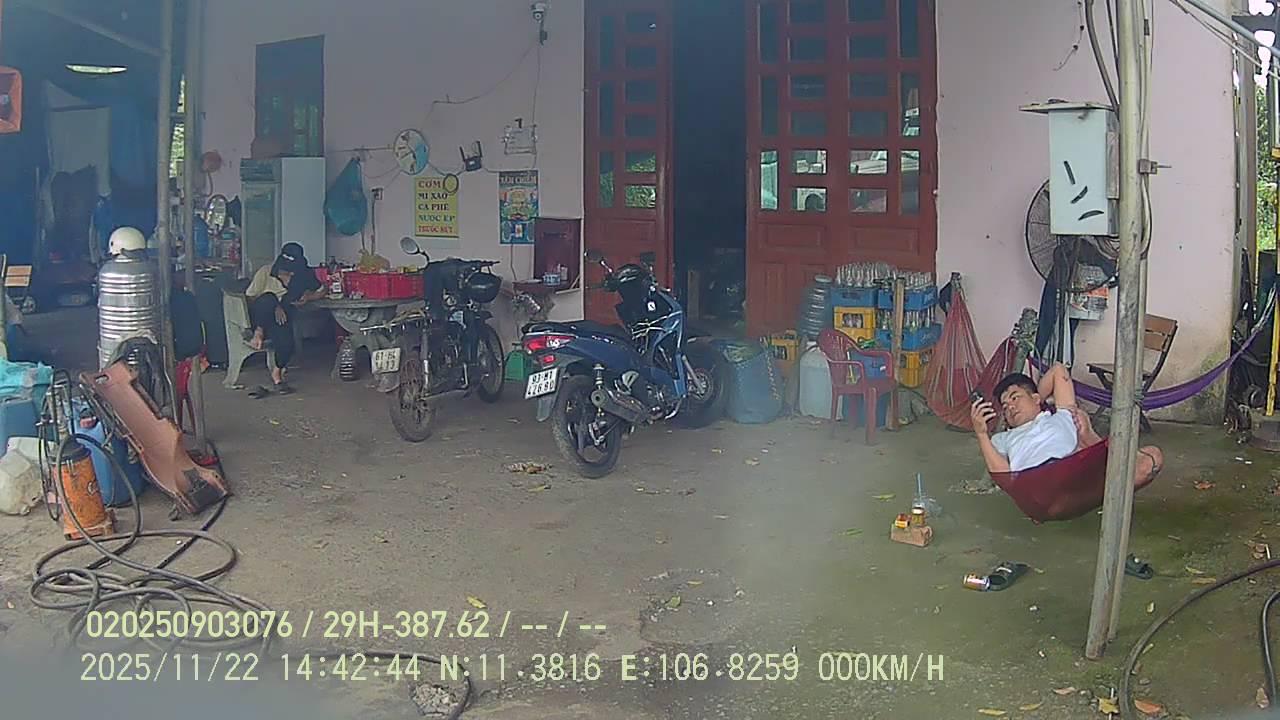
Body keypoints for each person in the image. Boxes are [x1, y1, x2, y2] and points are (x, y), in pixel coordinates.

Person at [970, 363, 1162, 488]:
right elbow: (1004, 478)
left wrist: (1036, 404)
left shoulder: (1063, 415)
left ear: (1036, 398)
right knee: (1080, 452)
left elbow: (1058, 371)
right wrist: (981, 434)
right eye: (1005, 406)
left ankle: (1106, 492)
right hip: (1037, 482)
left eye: (1015, 398)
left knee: (1152, 457)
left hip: (1076, 473)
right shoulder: (1002, 438)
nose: (1010, 407)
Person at [245, 243, 321, 391]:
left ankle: (277, 373)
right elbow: (250, 298)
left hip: (281, 319)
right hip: (260, 316)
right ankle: (258, 333)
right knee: (269, 298)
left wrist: (308, 297)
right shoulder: (266, 272)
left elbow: (322, 289)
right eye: (287, 271)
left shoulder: (303, 274)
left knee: (287, 345)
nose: (291, 274)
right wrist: (274, 305)